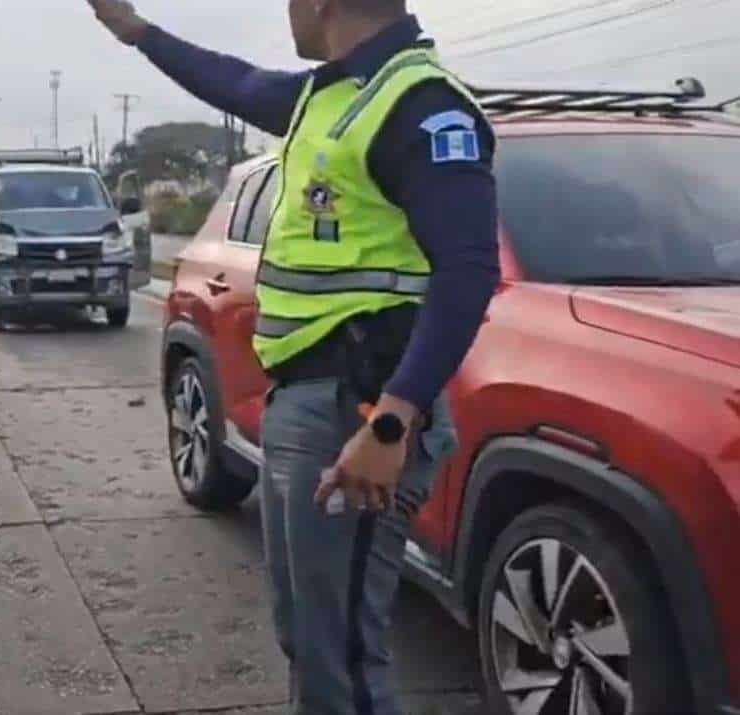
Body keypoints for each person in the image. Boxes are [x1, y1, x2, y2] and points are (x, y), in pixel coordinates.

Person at [86, 1, 499, 713]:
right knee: (307, 636)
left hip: (359, 410)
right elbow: (233, 81)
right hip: (306, 404)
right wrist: (137, 32)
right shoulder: (328, 94)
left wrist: (391, 423)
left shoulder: (423, 105)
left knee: (340, 656)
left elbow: (469, 271)